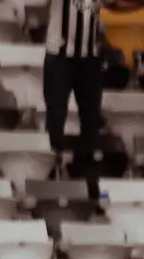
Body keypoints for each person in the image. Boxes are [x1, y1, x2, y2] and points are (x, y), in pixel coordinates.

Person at [41, 0, 104, 178]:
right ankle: (53, 169)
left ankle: (83, 172)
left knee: (91, 118)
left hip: (90, 57)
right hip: (59, 55)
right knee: (56, 115)